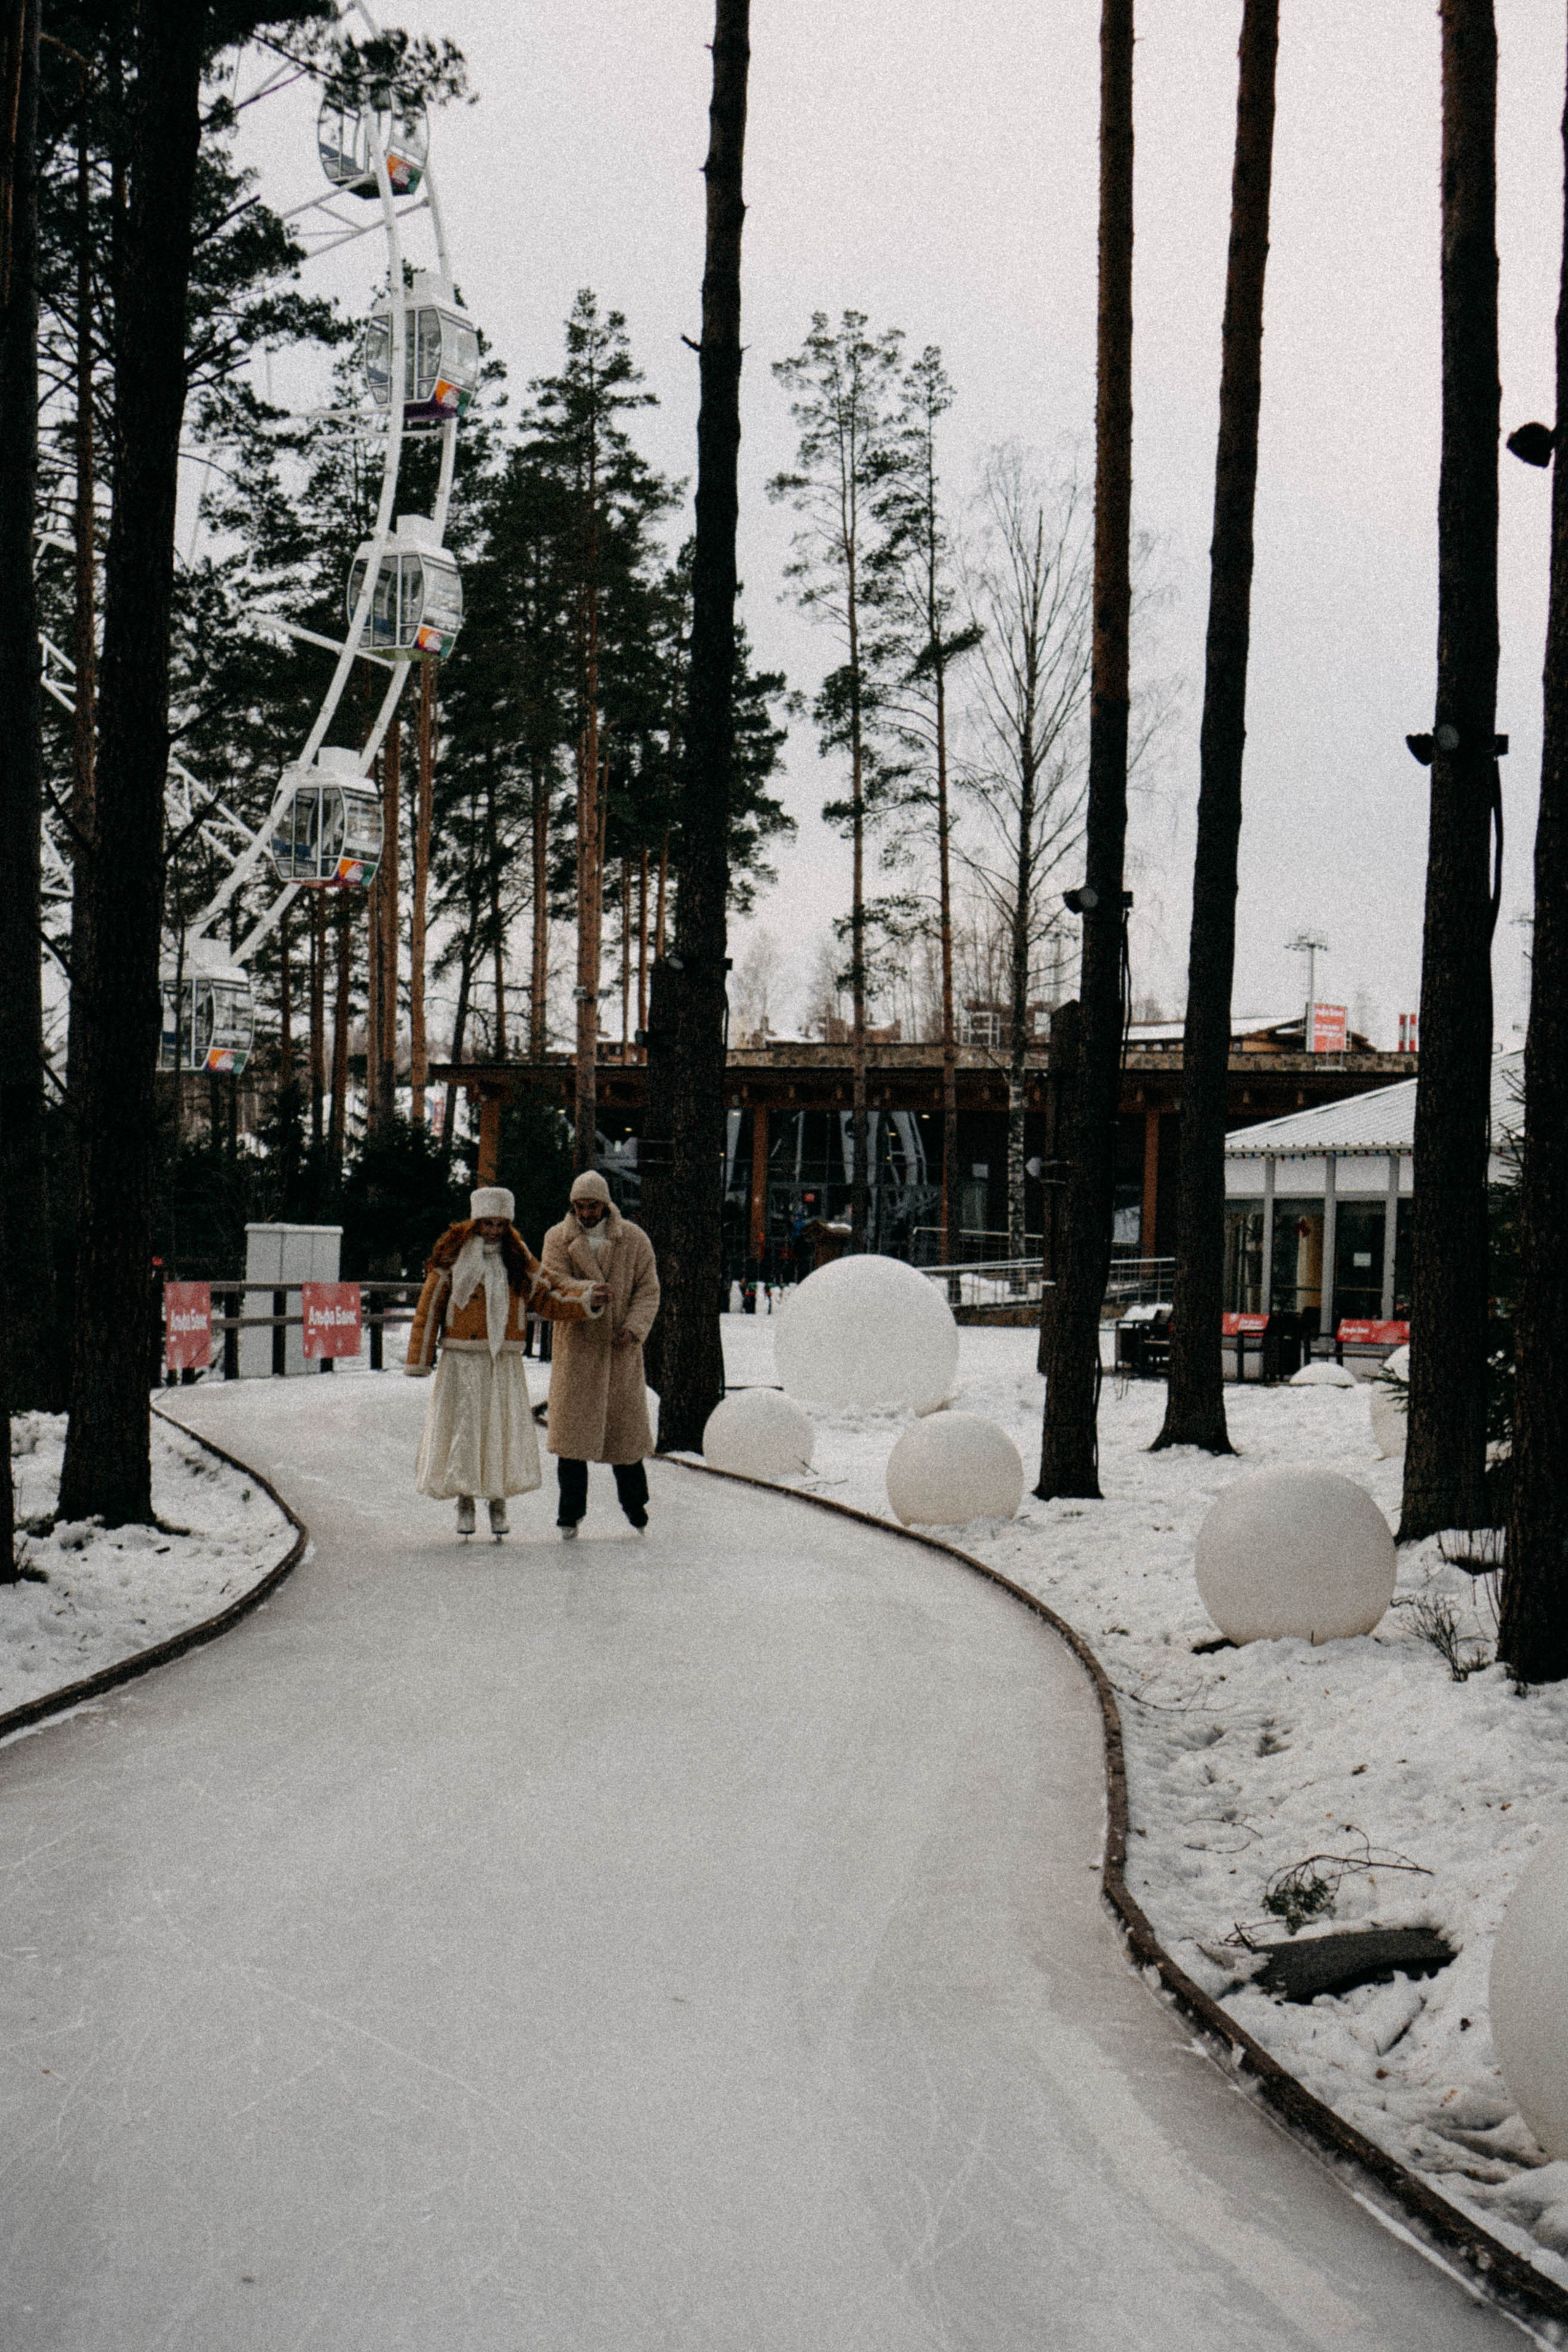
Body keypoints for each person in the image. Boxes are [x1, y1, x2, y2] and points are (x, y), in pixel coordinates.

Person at [405, 1186, 610, 1540]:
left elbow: (548, 1297)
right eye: (488, 1224)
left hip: (503, 1359)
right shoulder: (452, 1256)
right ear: (476, 1221)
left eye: (501, 1225)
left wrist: (586, 1300)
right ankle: (465, 1499)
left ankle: (497, 1501)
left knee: (498, 1430)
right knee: (466, 1430)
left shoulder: (518, 1259)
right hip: (463, 1358)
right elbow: (430, 1307)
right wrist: (420, 1358)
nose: (494, 1231)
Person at [540, 1170, 660, 1539]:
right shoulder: (557, 1238)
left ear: (605, 1205)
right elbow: (553, 1282)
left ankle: (636, 1507)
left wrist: (634, 1329)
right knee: (572, 1445)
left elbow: (648, 1290)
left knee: (625, 1442)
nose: (586, 1213)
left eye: (592, 1206)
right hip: (577, 1350)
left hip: (619, 1353)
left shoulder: (634, 1240)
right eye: (580, 1206)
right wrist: (588, 1294)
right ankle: (569, 1514)